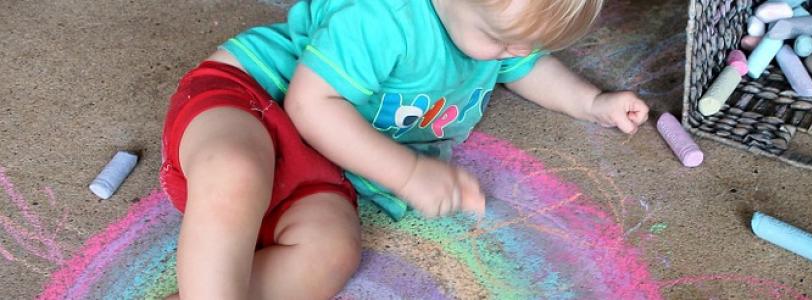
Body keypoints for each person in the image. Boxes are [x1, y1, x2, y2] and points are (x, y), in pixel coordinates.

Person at [159, 0, 650, 298]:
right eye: (502, 41)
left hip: (327, 165)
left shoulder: (496, 27)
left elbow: (526, 65)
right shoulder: (381, 15)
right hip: (256, 98)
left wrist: (591, 102)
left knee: (331, 255)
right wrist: (409, 174)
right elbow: (311, 106)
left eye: (528, 43)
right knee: (236, 173)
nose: (517, 53)